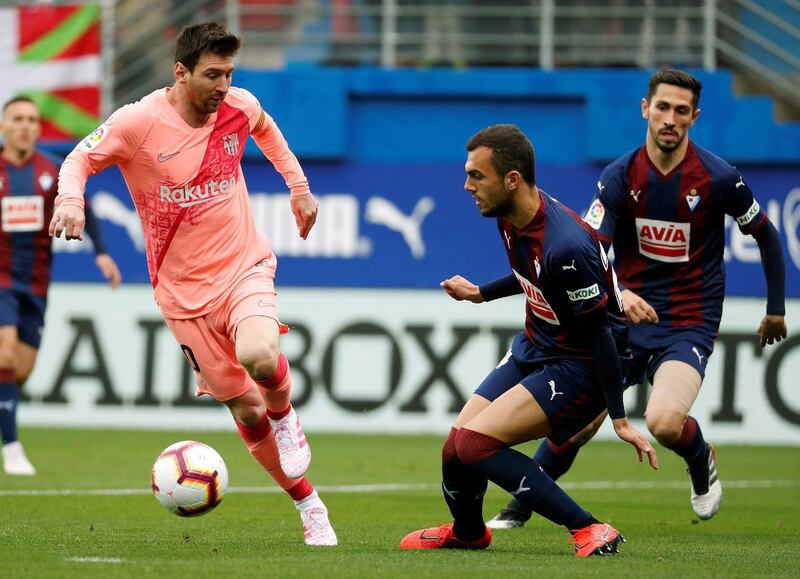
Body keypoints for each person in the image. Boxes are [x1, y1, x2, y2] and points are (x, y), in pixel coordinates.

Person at [49, 22, 337, 547]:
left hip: (242, 265)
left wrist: (299, 188)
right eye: (212, 75)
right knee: (243, 407)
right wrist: (70, 200)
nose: (223, 85)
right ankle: (308, 503)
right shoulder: (138, 122)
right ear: (180, 72)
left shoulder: (238, 106)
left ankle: (286, 415)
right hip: (181, 295)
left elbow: (266, 127)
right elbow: (78, 159)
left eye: (229, 73)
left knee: (259, 353)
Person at [487, 68, 788, 530]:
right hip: (625, 319)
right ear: (646, 109)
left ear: (694, 117)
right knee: (579, 421)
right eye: (662, 107)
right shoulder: (620, 176)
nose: (670, 118)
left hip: (688, 320)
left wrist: (775, 310)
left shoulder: (719, 177)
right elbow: (593, 246)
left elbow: (765, 235)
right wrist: (621, 294)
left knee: (664, 422)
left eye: (681, 111)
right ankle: (519, 507)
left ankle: (698, 454)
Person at [399, 124, 657, 557]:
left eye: (476, 176)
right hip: (537, 346)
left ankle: (590, 528)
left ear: (512, 178)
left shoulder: (567, 245)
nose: (467, 186)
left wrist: (618, 418)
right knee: (455, 448)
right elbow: (532, 273)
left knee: (475, 444)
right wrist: (482, 292)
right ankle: (468, 534)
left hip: (581, 367)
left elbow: (600, 337)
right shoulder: (509, 215)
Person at [0, 96, 121, 476]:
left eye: (32, 120)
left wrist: (101, 252)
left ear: (38, 128)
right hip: (0, 281)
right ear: (4, 125)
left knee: (19, 371)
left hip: (35, 284)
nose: (25, 125)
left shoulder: (52, 172)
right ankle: (13, 449)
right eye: (17, 118)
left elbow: (84, 206)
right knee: (3, 358)